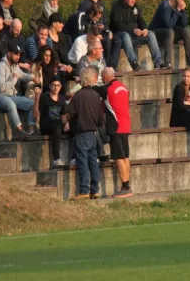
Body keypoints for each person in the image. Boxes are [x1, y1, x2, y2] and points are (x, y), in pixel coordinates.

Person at [94, 67, 133, 198]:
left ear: (105, 77)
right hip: (125, 126)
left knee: (118, 158)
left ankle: (125, 187)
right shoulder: (123, 87)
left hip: (115, 127)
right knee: (125, 156)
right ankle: (127, 185)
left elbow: (93, 90)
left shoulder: (107, 89)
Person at [109, 0, 169, 70]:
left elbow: (141, 19)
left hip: (134, 35)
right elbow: (119, 25)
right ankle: (134, 63)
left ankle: (158, 62)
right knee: (125, 35)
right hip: (121, 35)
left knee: (150, 34)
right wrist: (133, 30)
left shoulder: (135, 6)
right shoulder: (116, 7)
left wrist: (144, 29)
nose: (133, 0)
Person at [67, 66, 104, 199]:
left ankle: (84, 190)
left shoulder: (78, 96)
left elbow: (70, 113)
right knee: (93, 162)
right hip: (93, 134)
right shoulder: (96, 95)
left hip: (81, 133)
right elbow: (101, 119)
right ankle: (95, 190)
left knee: (82, 162)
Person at [0, 42, 41, 139]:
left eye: (19, 54)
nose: (17, 57)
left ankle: (31, 128)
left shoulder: (15, 66)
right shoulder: (0, 66)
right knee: (11, 104)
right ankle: (20, 130)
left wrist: (33, 77)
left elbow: (22, 75)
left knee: (32, 104)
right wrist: (13, 79)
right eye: (15, 54)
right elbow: (2, 88)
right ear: (9, 53)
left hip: (11, 96)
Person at [149, 0, 190, 70]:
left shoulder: (179, 6)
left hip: (170, 32)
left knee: (186, 30)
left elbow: (184, 24)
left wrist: (182, 11)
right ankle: (167, 62)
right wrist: (178, 10)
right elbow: (168, 25)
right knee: (170, 31)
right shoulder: (165, 6)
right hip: (156, 32)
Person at [75, 0, 113, 66]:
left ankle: (107, 66)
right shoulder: (84, 4)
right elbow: (82, 24)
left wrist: (107, 30)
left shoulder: (102, 4)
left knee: (108, 40)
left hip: (100, 33)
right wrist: (94, 35)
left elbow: (105, 21)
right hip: (89, 34)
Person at [39, 75, 69, 167]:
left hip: (58, 125)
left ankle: (74, 158)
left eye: (58, 85)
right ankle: (56, 159)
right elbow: (36, 113)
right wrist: (36, 98)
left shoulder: (62, 99)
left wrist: (67, 123)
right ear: (50, 86)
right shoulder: (44, 97)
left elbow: (63, 117)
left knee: (75, 128)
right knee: (57, 126)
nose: (56, 88)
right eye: (54, 85)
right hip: (46, 126)